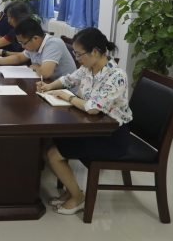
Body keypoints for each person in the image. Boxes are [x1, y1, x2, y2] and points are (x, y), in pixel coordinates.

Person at [38, 27, 132, 215]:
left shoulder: (116, 75)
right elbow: (68, 79)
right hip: (91, 127)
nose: (77, 58)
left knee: (53, 154)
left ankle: (78, 197)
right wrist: (49, 87)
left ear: (95, 52)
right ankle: (70, 191)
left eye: (79, 54)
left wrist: (68, 97)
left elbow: (93, 108)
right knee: (46, 143)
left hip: (111, 136)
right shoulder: (88, 68)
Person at [0, 18, 77, 80]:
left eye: (23, 43)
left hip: (65, 91)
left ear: (35, 38)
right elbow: (19, 58)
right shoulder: (35, 45)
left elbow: (45, 73)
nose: (22, 46)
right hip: (48, 85)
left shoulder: (53, 44)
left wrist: (36, 67)